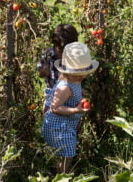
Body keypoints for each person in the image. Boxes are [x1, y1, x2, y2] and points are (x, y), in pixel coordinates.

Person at [41, 42, 99, 173]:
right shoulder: (65, 87)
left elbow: (74, 88)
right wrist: (76, 110)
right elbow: (55, 108)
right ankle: (62, 176)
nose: (81, 76)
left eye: (83, 73)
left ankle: (60, 174)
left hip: (65, 124)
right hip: (58, 127)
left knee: (65, 154)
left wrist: (81, 91)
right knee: (67, 155)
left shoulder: (73, 81)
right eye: (78, 73)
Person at [37, 24, 79, 114]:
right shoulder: (49, 54)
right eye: (60, 49)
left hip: (70, 95)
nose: (62, 52)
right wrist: (43, 71)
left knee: (72, 118)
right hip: (52, 94)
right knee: (50, 117)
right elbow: (39, 73)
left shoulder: (75, 56)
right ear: (55, 43)